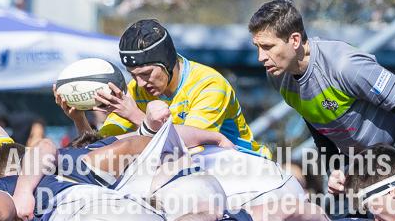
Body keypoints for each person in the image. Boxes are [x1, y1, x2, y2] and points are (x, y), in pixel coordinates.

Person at [248, 0, 395, 181]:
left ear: (295, 40)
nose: (261, 57)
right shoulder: (277, 75)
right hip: (362, 171)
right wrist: (334, 168)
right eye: (257, 48)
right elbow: (317, 122)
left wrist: (394, 164)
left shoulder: (345, 65)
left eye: (268, 47)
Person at [59, 19, 269, 157]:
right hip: (200, 179)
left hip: (247, 172)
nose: (140, 83)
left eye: (146, 74)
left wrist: (136, 116)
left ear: (167, 62)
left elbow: (187, 147)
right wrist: (80, 120)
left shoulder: (210, 84)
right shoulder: (136, 90)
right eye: (133, 75)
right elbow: (102, 147)